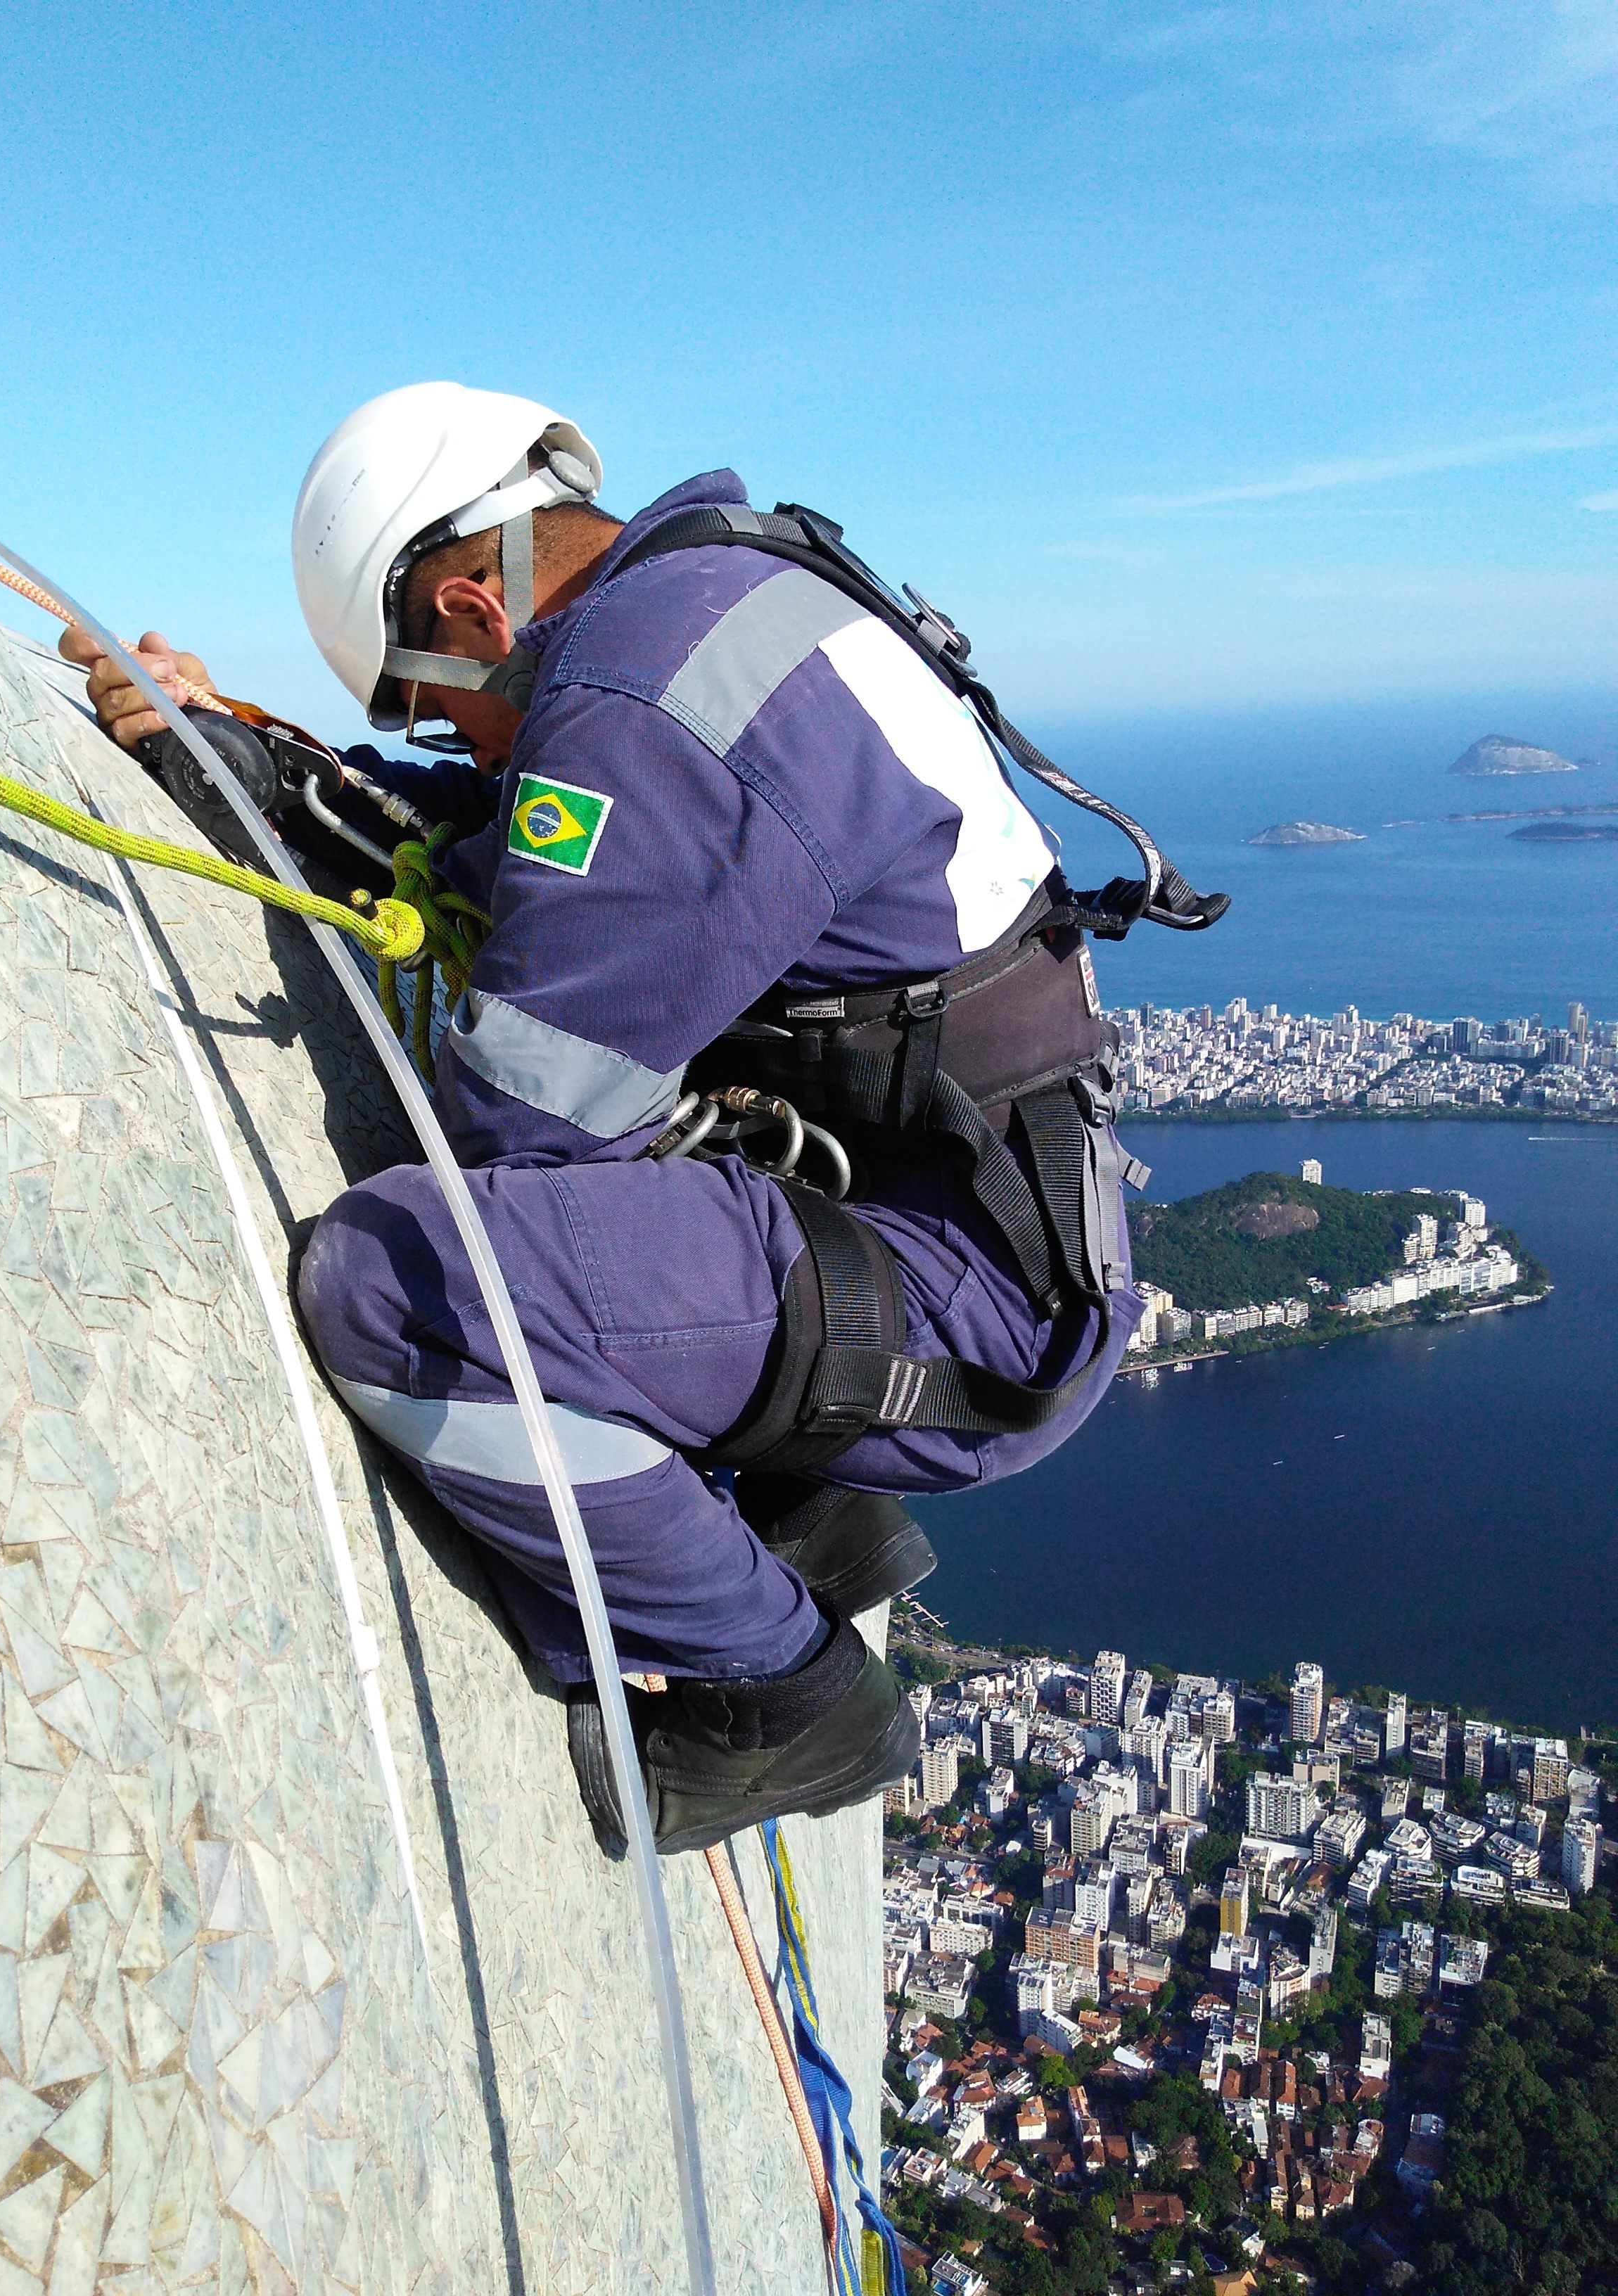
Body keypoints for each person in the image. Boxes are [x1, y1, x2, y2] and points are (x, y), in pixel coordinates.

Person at [65, 382, 1148, 1854]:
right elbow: (516, 854)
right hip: (950, 1230)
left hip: (957, 1306)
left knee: (408, 1284)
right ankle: (796, 1520)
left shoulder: (647, 706)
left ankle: (784, 1691)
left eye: (419, 700)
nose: (447, 742)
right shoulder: (710, 606)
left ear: (474, 607)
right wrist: (243, 762)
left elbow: (523, 1118)